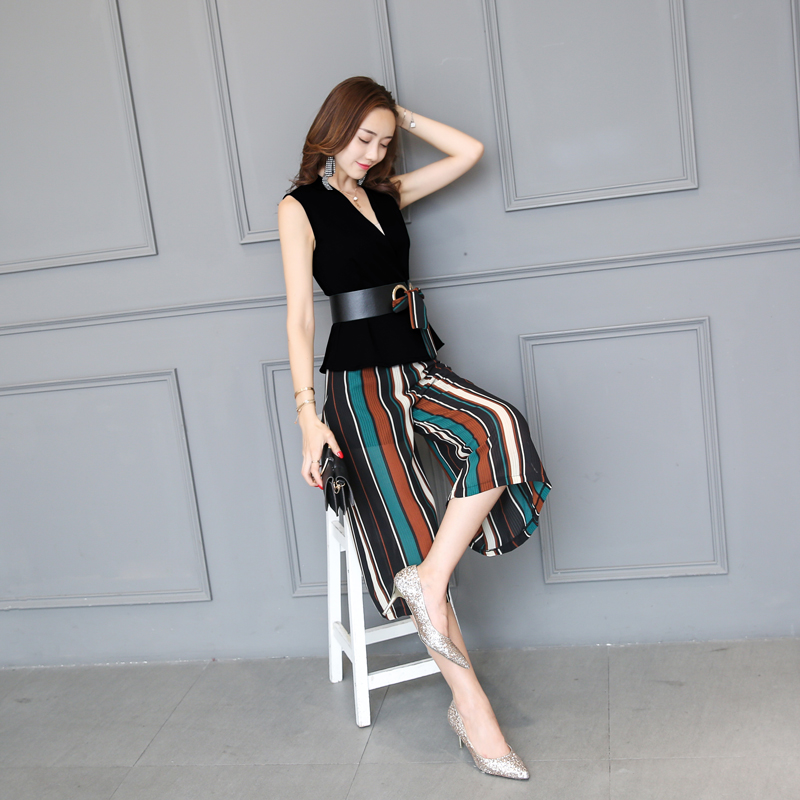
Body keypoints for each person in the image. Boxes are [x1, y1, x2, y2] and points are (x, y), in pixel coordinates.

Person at [278, 76, 551, 781]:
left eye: (383, 141)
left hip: (418, 366)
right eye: (362, 138)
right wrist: (307, 417)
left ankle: (427, 583)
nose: (372, 153)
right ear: (332, 130)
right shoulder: (300, 207)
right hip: (357, 388)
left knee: (502, 430)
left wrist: (399, 113)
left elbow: (468, 152)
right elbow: (300, 317)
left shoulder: (389, 195)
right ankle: (474, 711)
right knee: (409, 530)